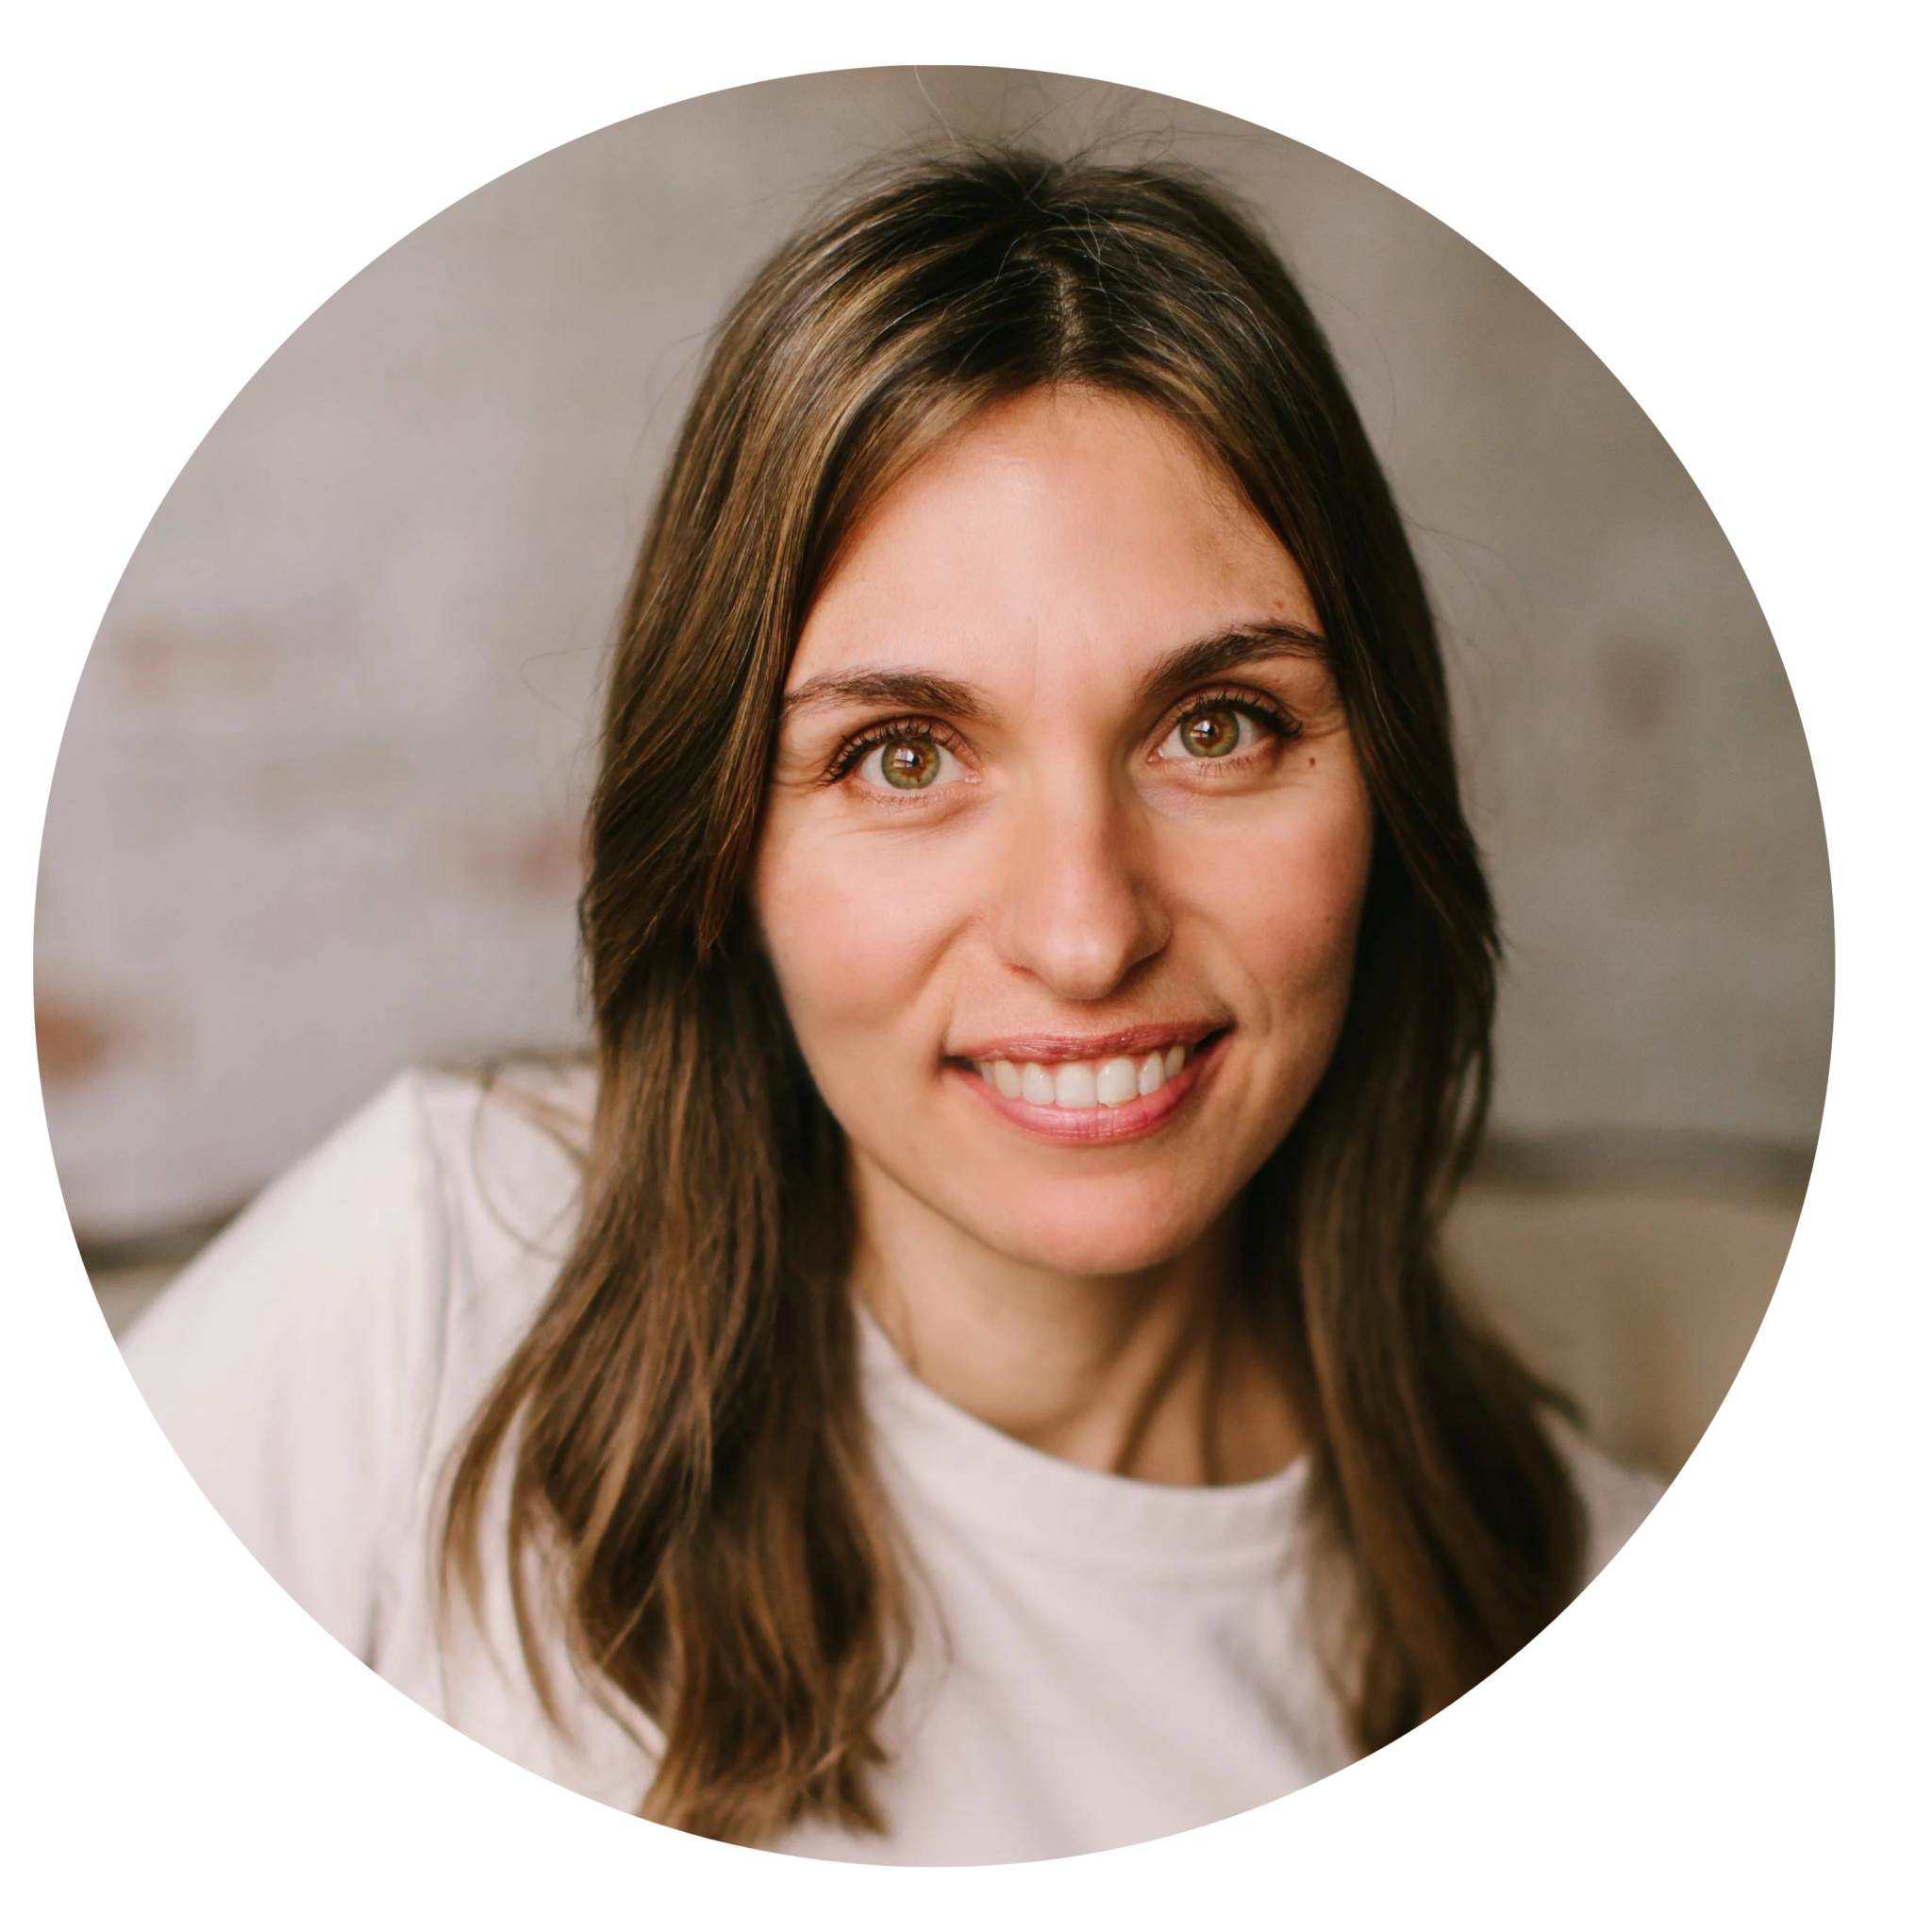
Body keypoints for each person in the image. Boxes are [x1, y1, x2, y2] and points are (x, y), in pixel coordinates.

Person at [121, 147, 1660, 1865]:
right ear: (722, 847)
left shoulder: (1619, 1641)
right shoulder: (432, 1289)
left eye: (1215, 724)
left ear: (1385, 785)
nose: (1085, 936)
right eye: (903, 754)